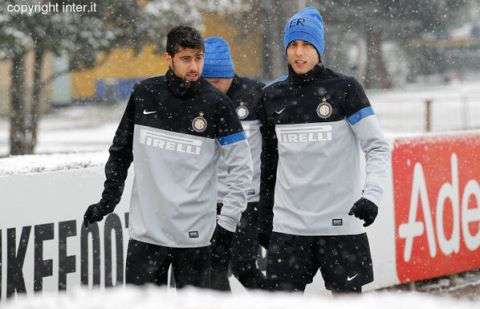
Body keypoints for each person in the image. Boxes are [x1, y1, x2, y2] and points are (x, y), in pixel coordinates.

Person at [83, 26, 253, 289]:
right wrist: (108, 201)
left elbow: (242, 169)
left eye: (198, 58)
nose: (194, 66)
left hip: (196, 239)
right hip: (146, 236)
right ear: (168, 58)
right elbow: (120, 153)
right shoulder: (144, 94)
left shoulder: (217, 104)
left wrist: (227, 226)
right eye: (186, 59)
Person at [258, 7, 390, 294]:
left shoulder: (345, 89)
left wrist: (372, 197)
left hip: (341, 225)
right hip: (290, 228)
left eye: (306, 44)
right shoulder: (271, 96)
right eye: (293, 44)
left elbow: (377, 146)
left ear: (319, 47)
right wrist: (263, 215)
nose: (299, 52)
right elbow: (268, 163)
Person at [202, 36, 267, 291]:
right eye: (208, 81)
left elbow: (274, 146)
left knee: (242, 266)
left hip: (248, 200)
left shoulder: (255, 94)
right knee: (213, 266)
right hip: (209, 200)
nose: (213, 87)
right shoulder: (196, 97)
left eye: (219, 80)